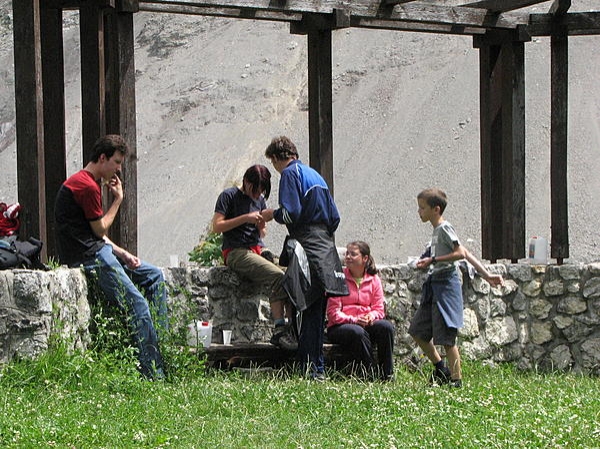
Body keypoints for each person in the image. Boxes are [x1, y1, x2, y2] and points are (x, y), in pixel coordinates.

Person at [54, 134, 168, 380]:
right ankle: (153, 374)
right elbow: (100, 229)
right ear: (102, 158)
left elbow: (93, 234)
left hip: (99, 251)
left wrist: (123, 253)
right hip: (90, 258)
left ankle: (163, 348)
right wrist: (118, 199)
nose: (118, 169)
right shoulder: (86, 186)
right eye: (116, 162)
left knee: (154, 276)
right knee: (138, 305)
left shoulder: (84, 182)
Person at [262, 136, 348, 380]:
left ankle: (309, 368)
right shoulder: (316, 175)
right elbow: (335, 218)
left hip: (306, 245)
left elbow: (291, 213)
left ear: (277, 158)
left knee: (305, 306)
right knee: (318, 311)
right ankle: (317, 368)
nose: (276, 169)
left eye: (273, 163)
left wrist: (272, 214)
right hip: (325, 246)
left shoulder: (290, 174)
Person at [410, 187, 504, 387]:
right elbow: (466, 253)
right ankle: (441, 369)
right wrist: (487, 275)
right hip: (433, 284)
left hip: (446, 285)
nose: (419, 212)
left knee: (446, 337)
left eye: (422, 208)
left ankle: (456, 380)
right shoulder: (437, 231)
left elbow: (460, 253)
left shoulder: (444, 228)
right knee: (418, 330)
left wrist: (433, 260)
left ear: (436, 209)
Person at [211, 164, 297, 350]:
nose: (258, 195)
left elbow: (262, 233)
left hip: (257, 249)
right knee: (278, 276)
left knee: (293, 274)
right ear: (246, 182)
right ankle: (280, 329)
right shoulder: (229, 196)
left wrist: (261, 224)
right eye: (255, 190)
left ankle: (293, 326)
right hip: (236, 251)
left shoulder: (260, 200)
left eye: (261, 192)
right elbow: (217, 226)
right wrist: (245, 218)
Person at [326, 241, 395, 381]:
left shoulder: (374, 280)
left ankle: (387, 374)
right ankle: (368, 374)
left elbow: (379, 309)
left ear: (365, 258)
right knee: (358, 332)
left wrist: (370, 317)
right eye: (347, 253)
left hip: (365, 323)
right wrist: (354, 320)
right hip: (341, 326)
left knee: (386, 327)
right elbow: (333, 313)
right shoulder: (339, 278)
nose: (348, 257)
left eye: (353, 254)